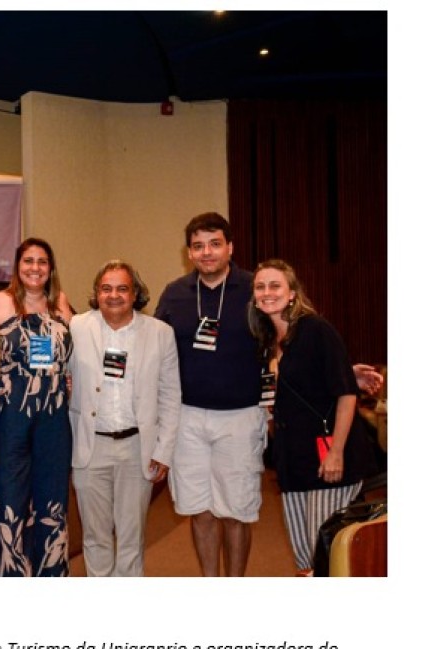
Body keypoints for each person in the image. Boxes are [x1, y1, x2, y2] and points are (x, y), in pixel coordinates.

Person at [155, 212, 382, 577]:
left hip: (242, 415)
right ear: (189, 252)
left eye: (215, 244)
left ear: (230, 247)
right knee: (199, 510)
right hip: (189, 416)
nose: (207, 252)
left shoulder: (256, 288)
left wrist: (343, 371)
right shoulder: (174, 293)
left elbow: (298, 339)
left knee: (236, 511)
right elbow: (155, 352)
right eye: (198, 246)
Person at [249, 259, 376, 574]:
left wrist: (336, 452)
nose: (267, 292)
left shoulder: (315, 329)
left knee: (326, 552)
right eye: (260, 286)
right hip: (292, 461)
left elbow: (346, 394)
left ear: (292, 292)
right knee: (304, 556)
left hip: (327, 458)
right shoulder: (266, 342)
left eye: (275, 285)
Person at [69, 260, 181, 576]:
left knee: (132, 536)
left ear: (135, 294)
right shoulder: (77, 327)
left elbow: (171, 395)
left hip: (137, 447)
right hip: (91, 446)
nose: (114, 295)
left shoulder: (160, 333)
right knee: (95, 535)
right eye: (106, 288)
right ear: (97, 293)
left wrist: (164, 450)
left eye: (122, 288)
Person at [0, 237, 73, 576]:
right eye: (28, 261)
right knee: (10, 498)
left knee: (52, 499)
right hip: (10, 418)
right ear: (17, 266)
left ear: (51, 268)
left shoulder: (61, 303)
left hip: (53, 417)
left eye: (42, 262)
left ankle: (50, 574)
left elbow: (71, 359)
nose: (35, 268)